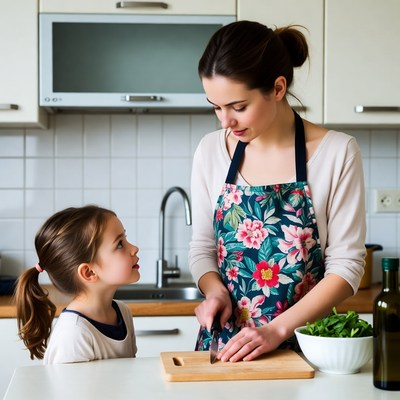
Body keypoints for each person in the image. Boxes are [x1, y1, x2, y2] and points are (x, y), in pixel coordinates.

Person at [189, 20, 366, 362]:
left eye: (238, 107)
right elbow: (202, 246)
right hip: (228, 350)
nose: (225, 122)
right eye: (215, 107)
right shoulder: (210, 151)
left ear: (278, 87)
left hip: (310, 346)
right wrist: (214, 292)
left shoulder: (337, 152)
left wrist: (276, 330)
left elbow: (346, 267)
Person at [15, 205, 140, 364]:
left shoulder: (122, 312)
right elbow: (69, 389)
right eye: (120, 244)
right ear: (89, 272)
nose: (134, 248)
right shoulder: (74, 333)